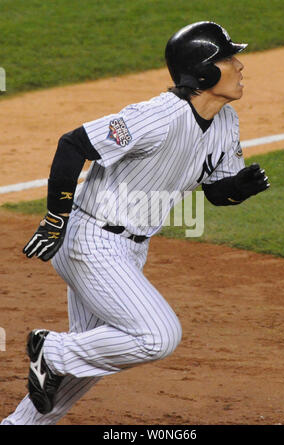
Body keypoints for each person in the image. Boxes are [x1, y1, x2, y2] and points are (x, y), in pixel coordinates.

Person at [2, 21, 269, 425]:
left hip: (129, 250)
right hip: (90, 241)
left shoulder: (226, 122)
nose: (240, 65)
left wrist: (239, 188)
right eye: (229, 58)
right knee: (157, 336)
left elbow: (216, 191)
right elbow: (73, 144)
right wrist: (56, 217)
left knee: (93, 356)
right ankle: (51, 350)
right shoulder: (157, 116)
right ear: (204, 72)